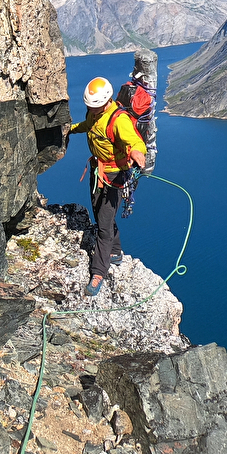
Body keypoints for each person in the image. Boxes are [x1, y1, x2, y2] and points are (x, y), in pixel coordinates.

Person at [68, 76, 147, 296]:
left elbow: (134, 140)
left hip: (114, 177)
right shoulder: (94, 113)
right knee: (100, 213)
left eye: (95, 105)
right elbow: (89, 125)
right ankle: (116, 251)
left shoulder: (118, 120)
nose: (92, 109)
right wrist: (72, 129)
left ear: (107, 100)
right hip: (97, 171)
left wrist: (136, 152)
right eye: (89, 106)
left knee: (103, 224)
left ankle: (99, 271)